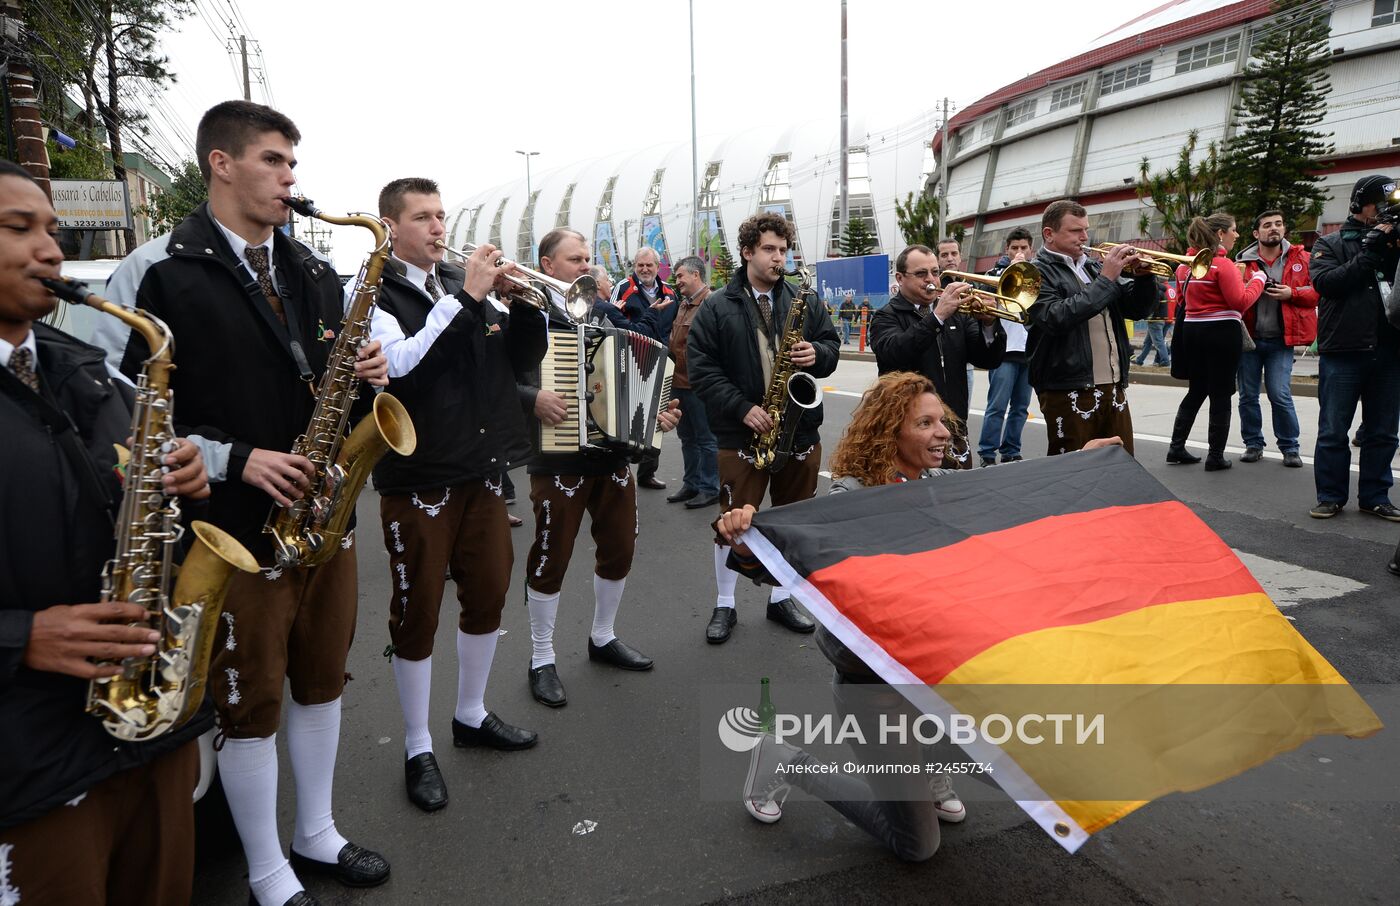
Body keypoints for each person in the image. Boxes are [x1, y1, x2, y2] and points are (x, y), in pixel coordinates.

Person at [96, 101, 391, 906]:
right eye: (274, 161)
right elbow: (110, 406)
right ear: (221, 165)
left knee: (322, 679)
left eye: (293, 164)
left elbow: (323, 376)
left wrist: (364, 376)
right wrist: (236, 458)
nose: (291, 179)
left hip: (320, 516)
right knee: (250, 697)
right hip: (230, 527)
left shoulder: (313, 270)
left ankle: (316, 833)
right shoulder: (156, 269)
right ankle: (266, 871)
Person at [714, 371, 1121, 860]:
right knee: (917, 846)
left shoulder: (942, 483)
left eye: (942, 421)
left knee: (1027, 760)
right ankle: (783, 759)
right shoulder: (850, 500)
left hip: (939, 678)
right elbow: (793, 566)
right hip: (875, 687)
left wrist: (1077, 464)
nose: (944, 432)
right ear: (890, 433)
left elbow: (1011, 495)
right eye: (926, 423)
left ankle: (926, 765)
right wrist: (743, 541)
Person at [0, 159, 212, 905]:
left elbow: (124, 493)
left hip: (145, 725)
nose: (51, 251)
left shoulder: (79, 367)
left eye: (51, 229)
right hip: (29, 761)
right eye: (18, 228)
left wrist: (176, 474)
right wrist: (20, 634)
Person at [368, 178, 548, 814]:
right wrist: (470, 296)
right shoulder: (373, 292)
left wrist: (521, 305)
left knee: (491, 592)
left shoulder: (454, 286)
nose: (440, 228)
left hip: (482, 468)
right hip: (421, 476)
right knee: (416, 613)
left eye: (441, 215)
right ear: (391, 227)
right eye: (424, 217)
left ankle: (470, 714)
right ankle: (418, 745)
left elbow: (518, 360)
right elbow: (408, 365)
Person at [520, 229, 679, 708]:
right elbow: (499, 379)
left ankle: (603, 636)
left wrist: (659, 413)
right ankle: (542, 656)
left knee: (619, 547)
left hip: (610, 457)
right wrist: (532, 397)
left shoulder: (608, 313)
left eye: (589, 258)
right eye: (576, 259)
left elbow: (644, 371)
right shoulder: (526, 314)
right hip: (558, 455)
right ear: (548, 265)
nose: (586, 266)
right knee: (552, 556)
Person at [687, 211, 840, 644]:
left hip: (800, 429)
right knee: (731, 522)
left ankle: (779, 599)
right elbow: (701, 369)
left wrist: (820, 354)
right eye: (769, 249)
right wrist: (741, 408)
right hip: (743, 433)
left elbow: (831, 346)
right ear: (748, 252)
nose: (779, 258)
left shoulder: (803, 299)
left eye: (783, 249)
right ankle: (725, 602)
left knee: (791, 520)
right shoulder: (716, 306)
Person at [1025, 199, 1162, 455]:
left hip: (1113, 386)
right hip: (1067, 388)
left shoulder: (1093, 266)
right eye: (1076, 231)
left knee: (1120, 466)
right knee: (1075, 473)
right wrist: (1106, 279)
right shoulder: (1033, 273)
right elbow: (1056, 317)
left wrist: (1145, 278)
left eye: (1085, 229)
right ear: (1049, 234)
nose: (1084, 236)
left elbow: (1137, 309)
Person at [1308, 175, 1400, 520]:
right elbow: (1327, 284)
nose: (1387, 213)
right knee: (1333, 429)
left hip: (1390, 350)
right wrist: (1369, 252)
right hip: (1343, 350)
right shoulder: (1330, 243)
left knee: (1383, 431)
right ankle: (1330, 496)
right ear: (1361, 204)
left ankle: (1376, 496)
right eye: (1382, 205)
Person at [870, 244, 1005, 469]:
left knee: (959, 497)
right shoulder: (886, 317)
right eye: (921, 274)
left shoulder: (958, 314)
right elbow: (895, 353)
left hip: (954, 427)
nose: (930, 279)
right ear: (900, 278)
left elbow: (988, 360)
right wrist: (938, 316)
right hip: (907, 430)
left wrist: (989, 324)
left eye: (935, 272)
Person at [1165, 214, 1268, 471]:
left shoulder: (1183, 266)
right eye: (1234, 230)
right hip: (1222, 332)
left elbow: (1181, 302)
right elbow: (1239, 302)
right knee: (1221, 394)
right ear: (1220, 234)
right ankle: (1215, 456)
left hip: (1192, 331)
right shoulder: (1223, 265)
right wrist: (1258, 280)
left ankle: (1176, 447)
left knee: (1197, 389)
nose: (1237, 235)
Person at [1235, 210, 1318, 468]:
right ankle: (1253, 444)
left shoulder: (1302, 258)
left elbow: (1318, 291)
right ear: (1256, 233)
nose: (1274, 228)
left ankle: (1290, 447)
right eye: (1268, 225)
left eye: (1279, 224)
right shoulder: (1241, 262)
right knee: (1247, 395)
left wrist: (1291, 293)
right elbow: (1232, 297)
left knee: (1280, 394)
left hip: (1282, 340)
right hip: (1248, 339)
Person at [612, 247, 677, 489]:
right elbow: (612, 319)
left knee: (656, 416)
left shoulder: (670, 291)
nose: (645, 270)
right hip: (630, 357)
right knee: (627, 415)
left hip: (659, 359)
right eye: (640, 265)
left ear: (657, 266)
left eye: (649, 265)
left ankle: (647, 472)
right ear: (634, 266)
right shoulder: (623, 288)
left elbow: (674, 324)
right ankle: (621, 472)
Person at [666, 255, 721, 509]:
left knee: (706, 439)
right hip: (678, 383)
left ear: (695, 275)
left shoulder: (711, 302)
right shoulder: (684, 304)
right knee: (687, 437)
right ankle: (692, 484)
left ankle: (710, 488)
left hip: (699, 384)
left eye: (680, 276)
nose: (677, 281)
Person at [976, 228, 1034, 467]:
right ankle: (987, 453)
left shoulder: (1036, 274)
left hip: (1028, 351)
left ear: (1032, 250)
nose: (1019, 252)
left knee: (1021, 407)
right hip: (1004, 351)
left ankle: (1011, 450)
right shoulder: (994, 273)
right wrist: (1008, 272)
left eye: (1023, 248)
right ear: (1007, 250)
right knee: (997, 406)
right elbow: (987, 302)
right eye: (1014, 248)